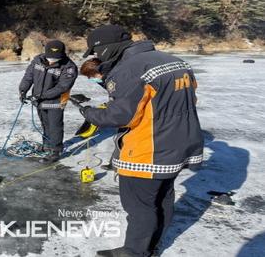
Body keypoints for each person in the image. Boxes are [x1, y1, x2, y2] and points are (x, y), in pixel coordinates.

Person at [77, 25, 204, 257]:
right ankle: (152, 247)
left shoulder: (130, 69)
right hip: (181, 142)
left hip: (150, 148)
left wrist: (89, 113)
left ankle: (135, 252)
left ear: (106, 48)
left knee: (139, 206)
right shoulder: (174, 61)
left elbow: (122, 115)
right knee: (163, 197)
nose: (97, 58)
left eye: (96, 52)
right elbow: (190, 99)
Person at [19, 40, 78, 163]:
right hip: (39, 100)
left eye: (55, 58)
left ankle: (55, 151)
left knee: (55, 125)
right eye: (50, 57)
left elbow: (62, 87)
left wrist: (41, 95)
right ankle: (46, 144)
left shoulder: (69, 67)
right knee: (45, 123)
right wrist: (23, 90)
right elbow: (28, 76)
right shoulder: (37, 61)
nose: (52, 60)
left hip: (56, 101)